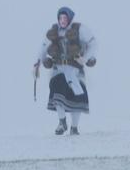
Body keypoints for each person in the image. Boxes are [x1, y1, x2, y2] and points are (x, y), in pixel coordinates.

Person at [34, 7, 97, 135]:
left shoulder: (80, 29)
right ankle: (62, 121)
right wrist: (38, 63)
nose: (62, 20)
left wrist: (85, 59)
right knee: (57, 92)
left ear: (69, 18)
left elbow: (93, 43)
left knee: (77, 97)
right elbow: (43, 47)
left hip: (75, 69)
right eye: (60, 18)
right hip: (59, 69)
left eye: (65, 18)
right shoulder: (54, 31)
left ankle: (74, 127)